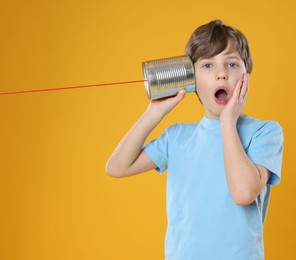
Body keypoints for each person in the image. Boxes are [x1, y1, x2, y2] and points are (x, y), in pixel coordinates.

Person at [106, 19, 284, 260]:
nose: (221, 74)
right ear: (192, 80)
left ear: (246, 77)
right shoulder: (177, 137)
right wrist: (154, 113)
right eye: (208, 66)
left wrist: (227, 122)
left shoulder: (264, 132)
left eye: (232, 64)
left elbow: (243, 193)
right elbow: (117, 166)